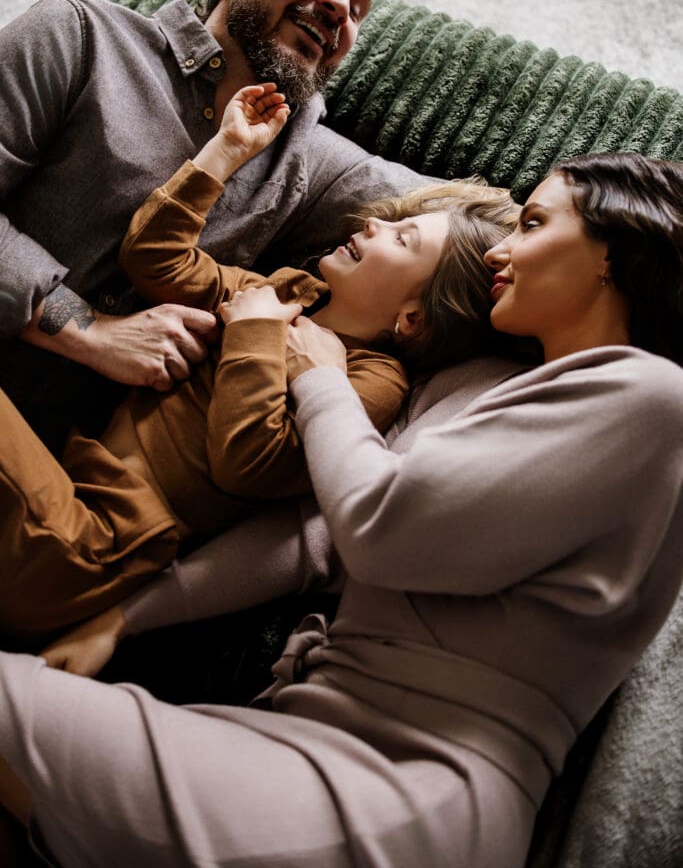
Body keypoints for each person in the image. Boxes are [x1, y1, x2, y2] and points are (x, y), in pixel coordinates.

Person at [0, 151, 680, 868]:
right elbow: (318, 533)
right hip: (311, 734)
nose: (499, 252)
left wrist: (320, 380)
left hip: (404, 787)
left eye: (534, 223)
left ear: (611, 252)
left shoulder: (653, 400)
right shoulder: (484, 383)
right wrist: (122, 619)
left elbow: (379, 531)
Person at [0, 81, 517, 647]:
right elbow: (155, 260)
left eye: (402, 239)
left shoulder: (371, 381)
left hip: (94, 544)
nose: (374, 225)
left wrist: (255, 331)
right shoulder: (289, 291)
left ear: (412, 318)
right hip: (65, 486)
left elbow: (248, 464)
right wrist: (224, 154)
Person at [0, 0, 434, 453]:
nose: (340, 8)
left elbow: (465, 221)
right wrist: (90, 331)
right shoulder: (78, 35)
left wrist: (540, 225)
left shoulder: (311, 162)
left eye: (358, 9)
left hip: (71, 475)